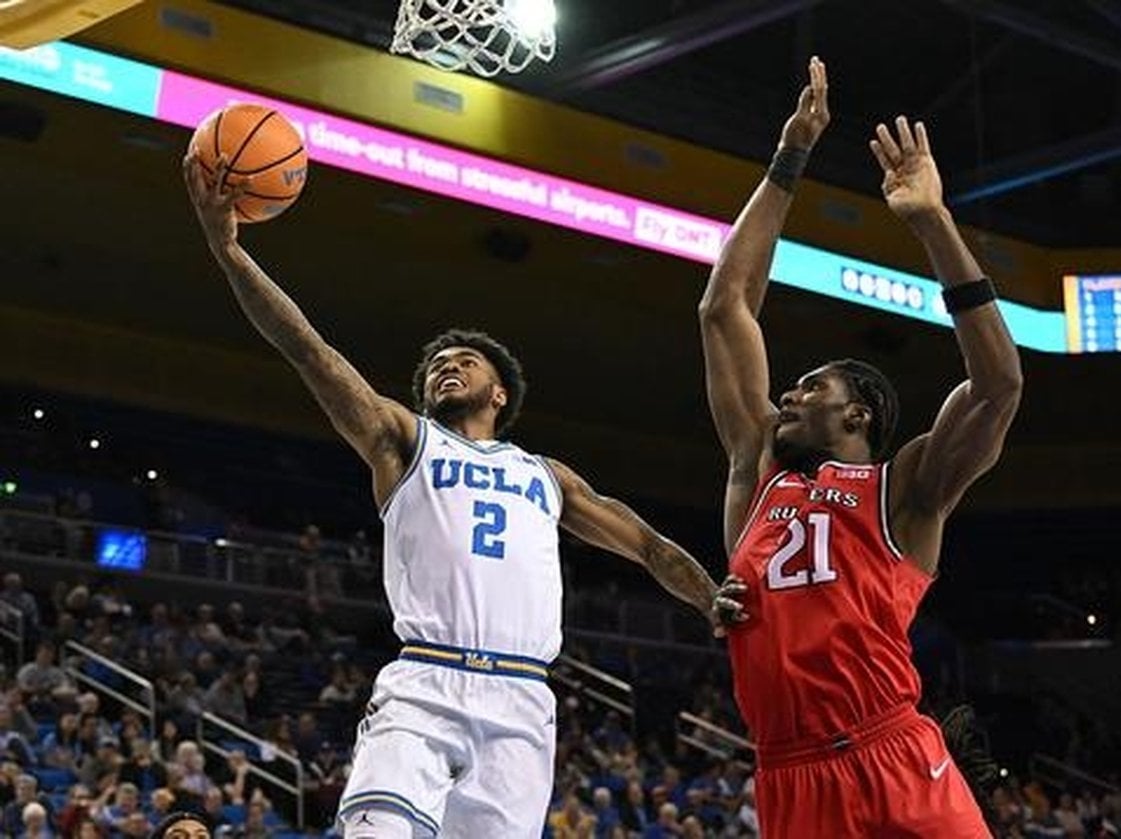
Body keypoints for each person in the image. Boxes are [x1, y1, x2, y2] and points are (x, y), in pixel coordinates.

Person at [183, 154, 727, 839]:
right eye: (437, 365)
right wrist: (230, 252)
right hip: (426, 684)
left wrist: (710, 597)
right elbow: (310, 351)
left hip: (522, 699)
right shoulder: (404, 441)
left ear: (498, 393)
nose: (447, 366)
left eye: (465, 361)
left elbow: (645, 544)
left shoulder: (548, 476)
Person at [701, 57, 1022, 837]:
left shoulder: (903, 490)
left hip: (893, 756)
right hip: (789, 775)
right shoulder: (759, 471)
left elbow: (998, 386)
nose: (789, 395)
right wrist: (789, 157)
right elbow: (724, 306)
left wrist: (932, 223)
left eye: (811, 386)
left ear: (860, 413)